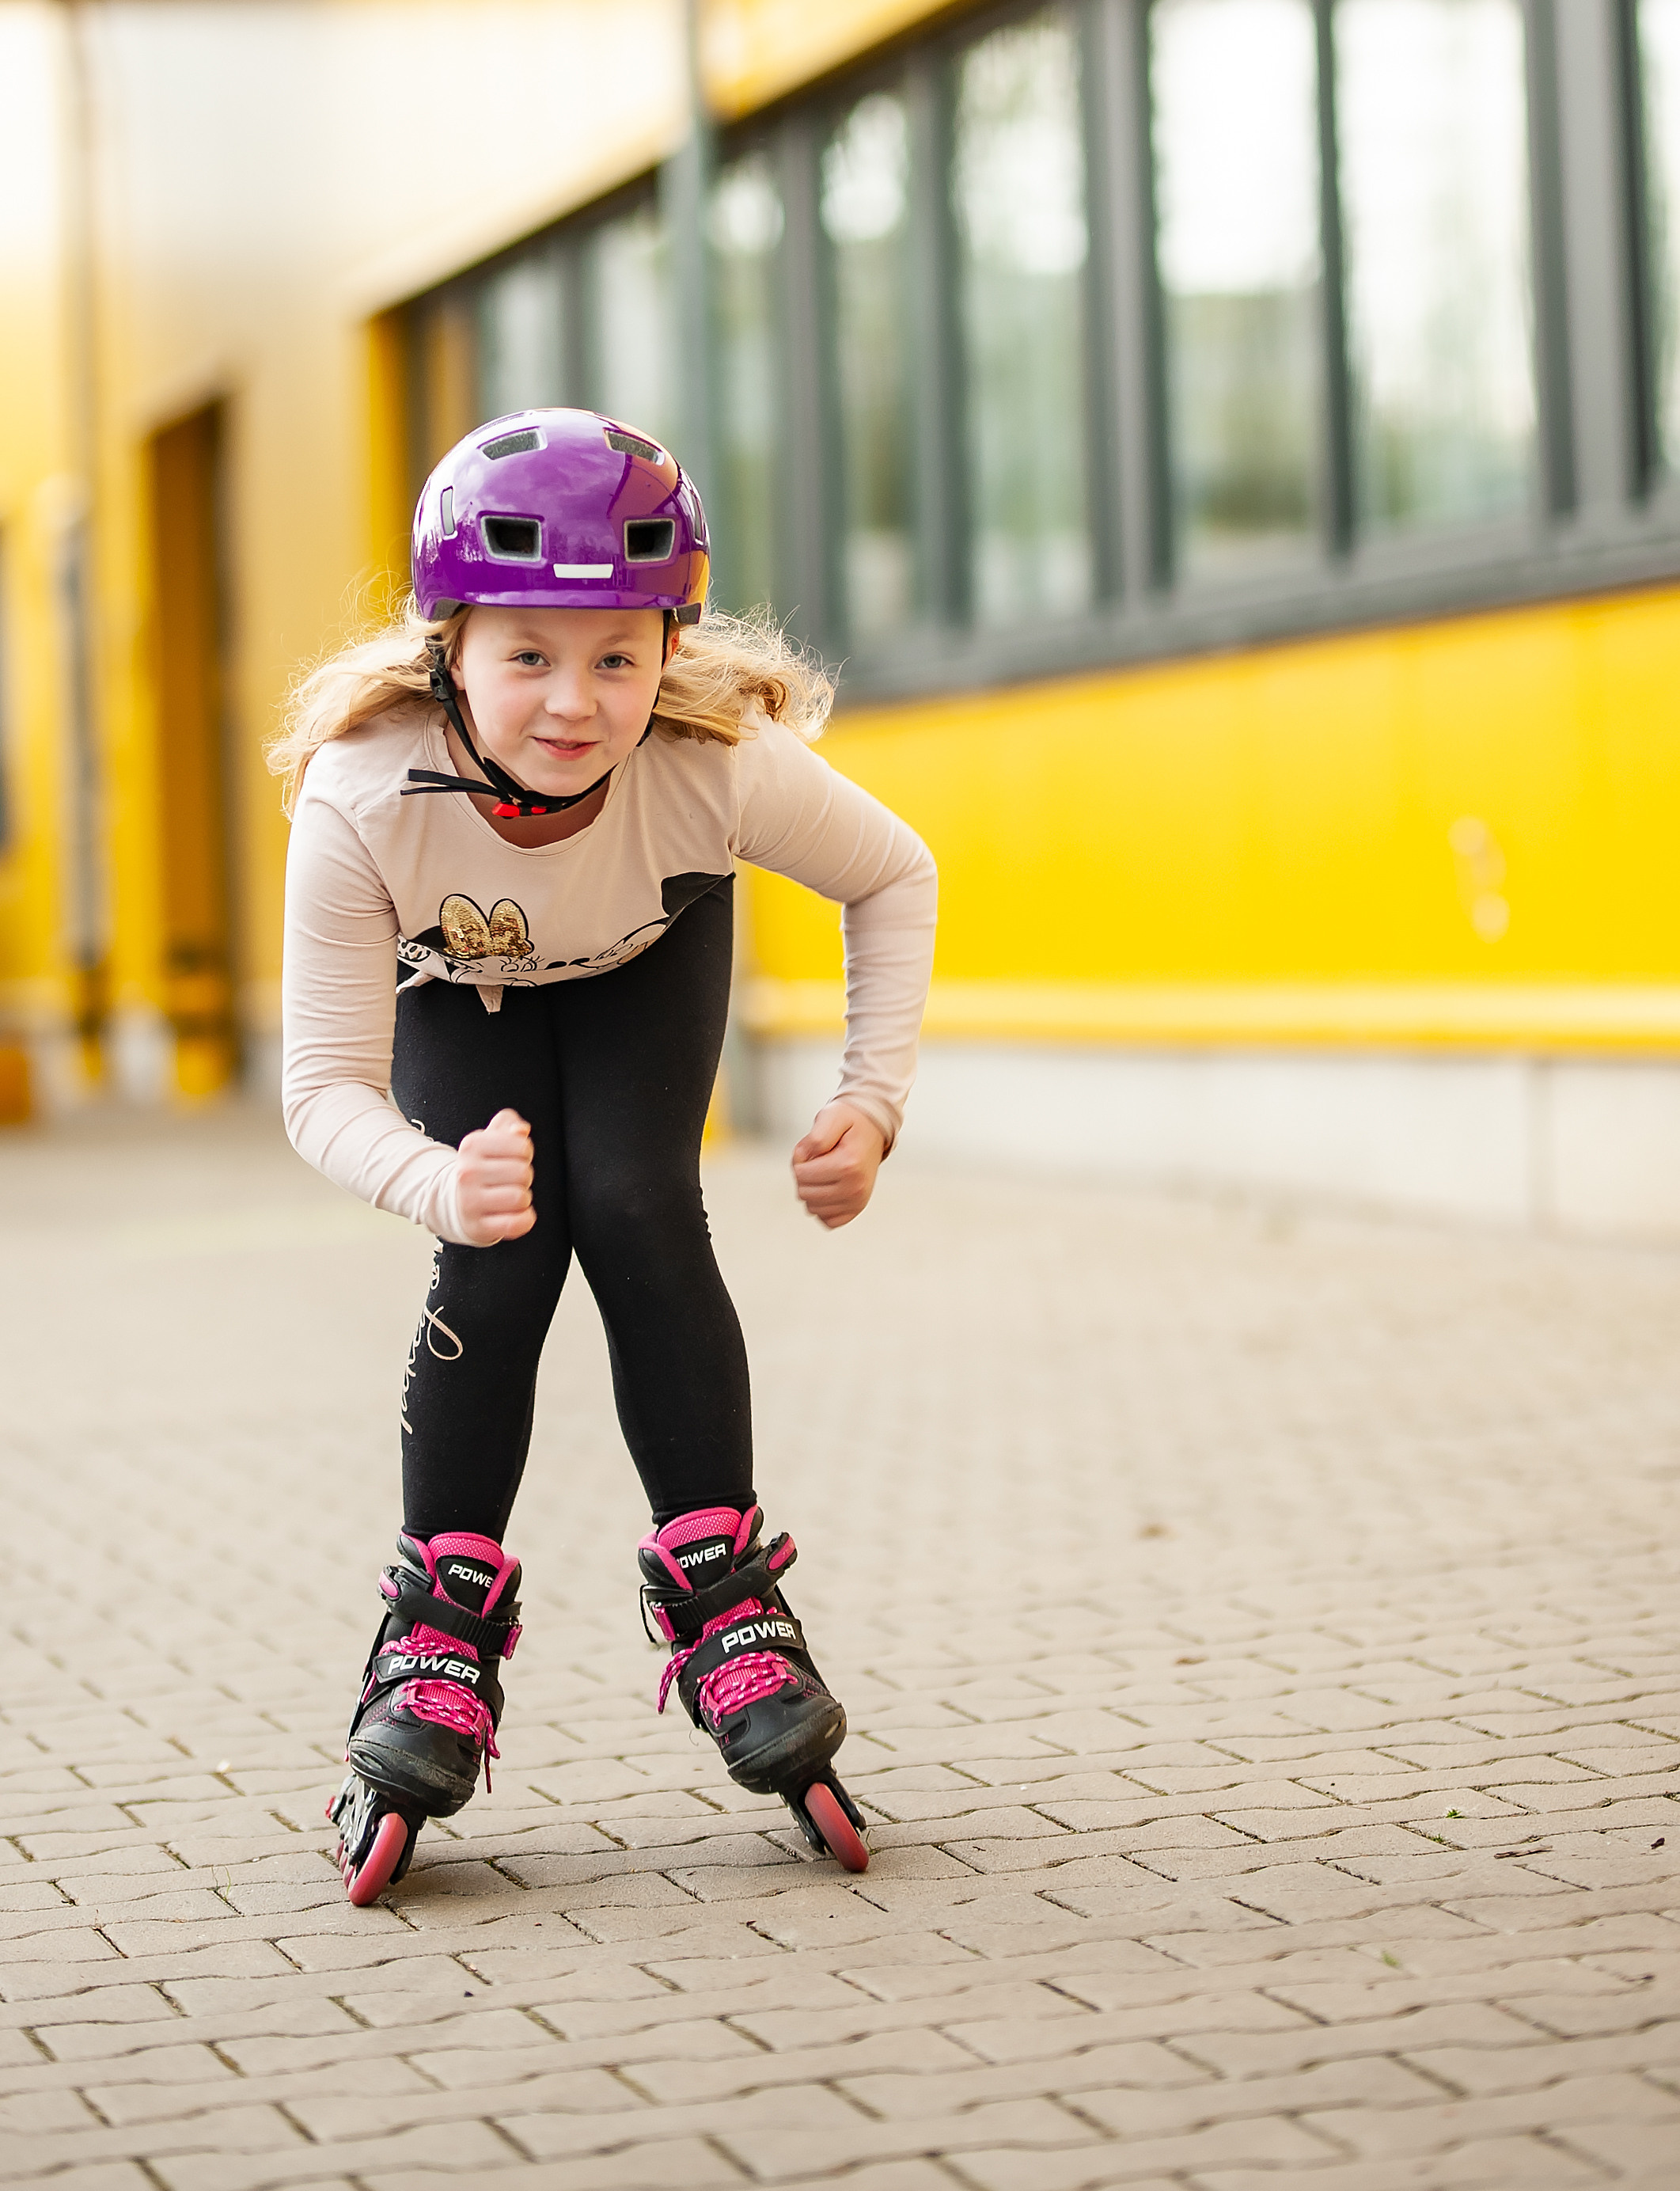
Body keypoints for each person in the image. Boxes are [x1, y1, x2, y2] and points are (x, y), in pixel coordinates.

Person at [271, 408, 936, 1901]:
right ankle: (432, 1629)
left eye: (619, 658)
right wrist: (434, 1178)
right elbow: (319, 1086)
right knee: (499, 1255)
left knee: (639, 1205)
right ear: (451, 644)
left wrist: (872, 1101)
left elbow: (895, 873)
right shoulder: (362, 792)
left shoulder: (718, 765)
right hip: (470, 984)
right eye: (529, 657)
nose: (575, 705)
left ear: (669, 654)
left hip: (645, 952)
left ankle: (725, 1598)